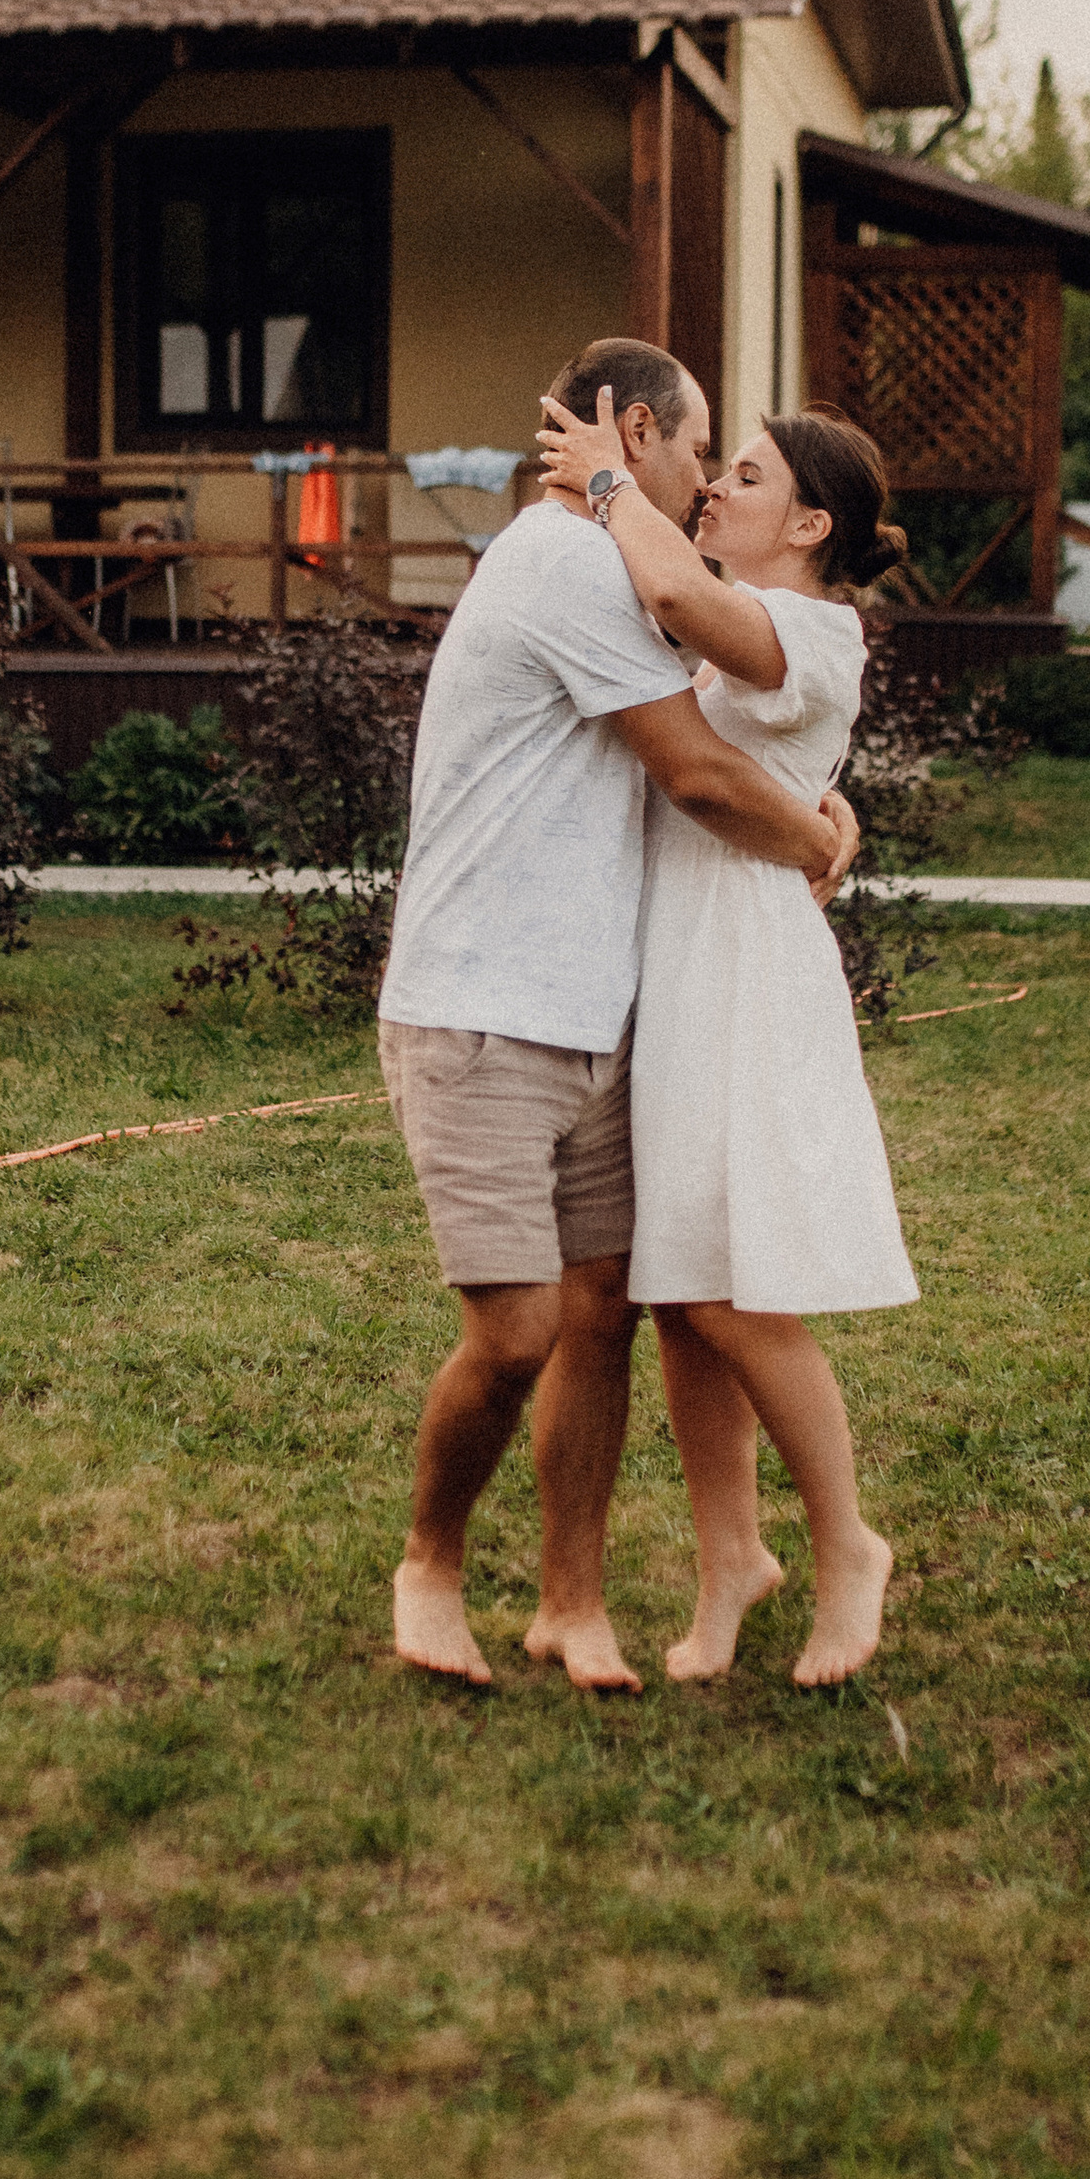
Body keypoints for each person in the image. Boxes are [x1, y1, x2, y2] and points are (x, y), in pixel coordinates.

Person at [376, 338, 859, 1693]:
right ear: (635, 432)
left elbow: (742, 719)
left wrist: (819, 801)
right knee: (519, 1325)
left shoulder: (635, 571)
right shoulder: (563, 560)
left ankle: (571, 1603)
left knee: (600, 1312)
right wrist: (813, 845)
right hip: (479, 1003)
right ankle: (431, 1563)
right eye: (703, 451)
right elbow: (699, 773)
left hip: (599, 1009)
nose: (707, 485)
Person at [534, 386, 914, 1689]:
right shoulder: (742, 620)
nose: (718, 489)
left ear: (809, 520)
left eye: (745, 478)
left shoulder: (814, 627)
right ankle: (730, 1560)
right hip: (675, 960)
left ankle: (849, 1542)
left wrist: (607, 481)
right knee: (684, 1290)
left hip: (746, 966)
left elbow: (697, 612)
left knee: (736, 1293)